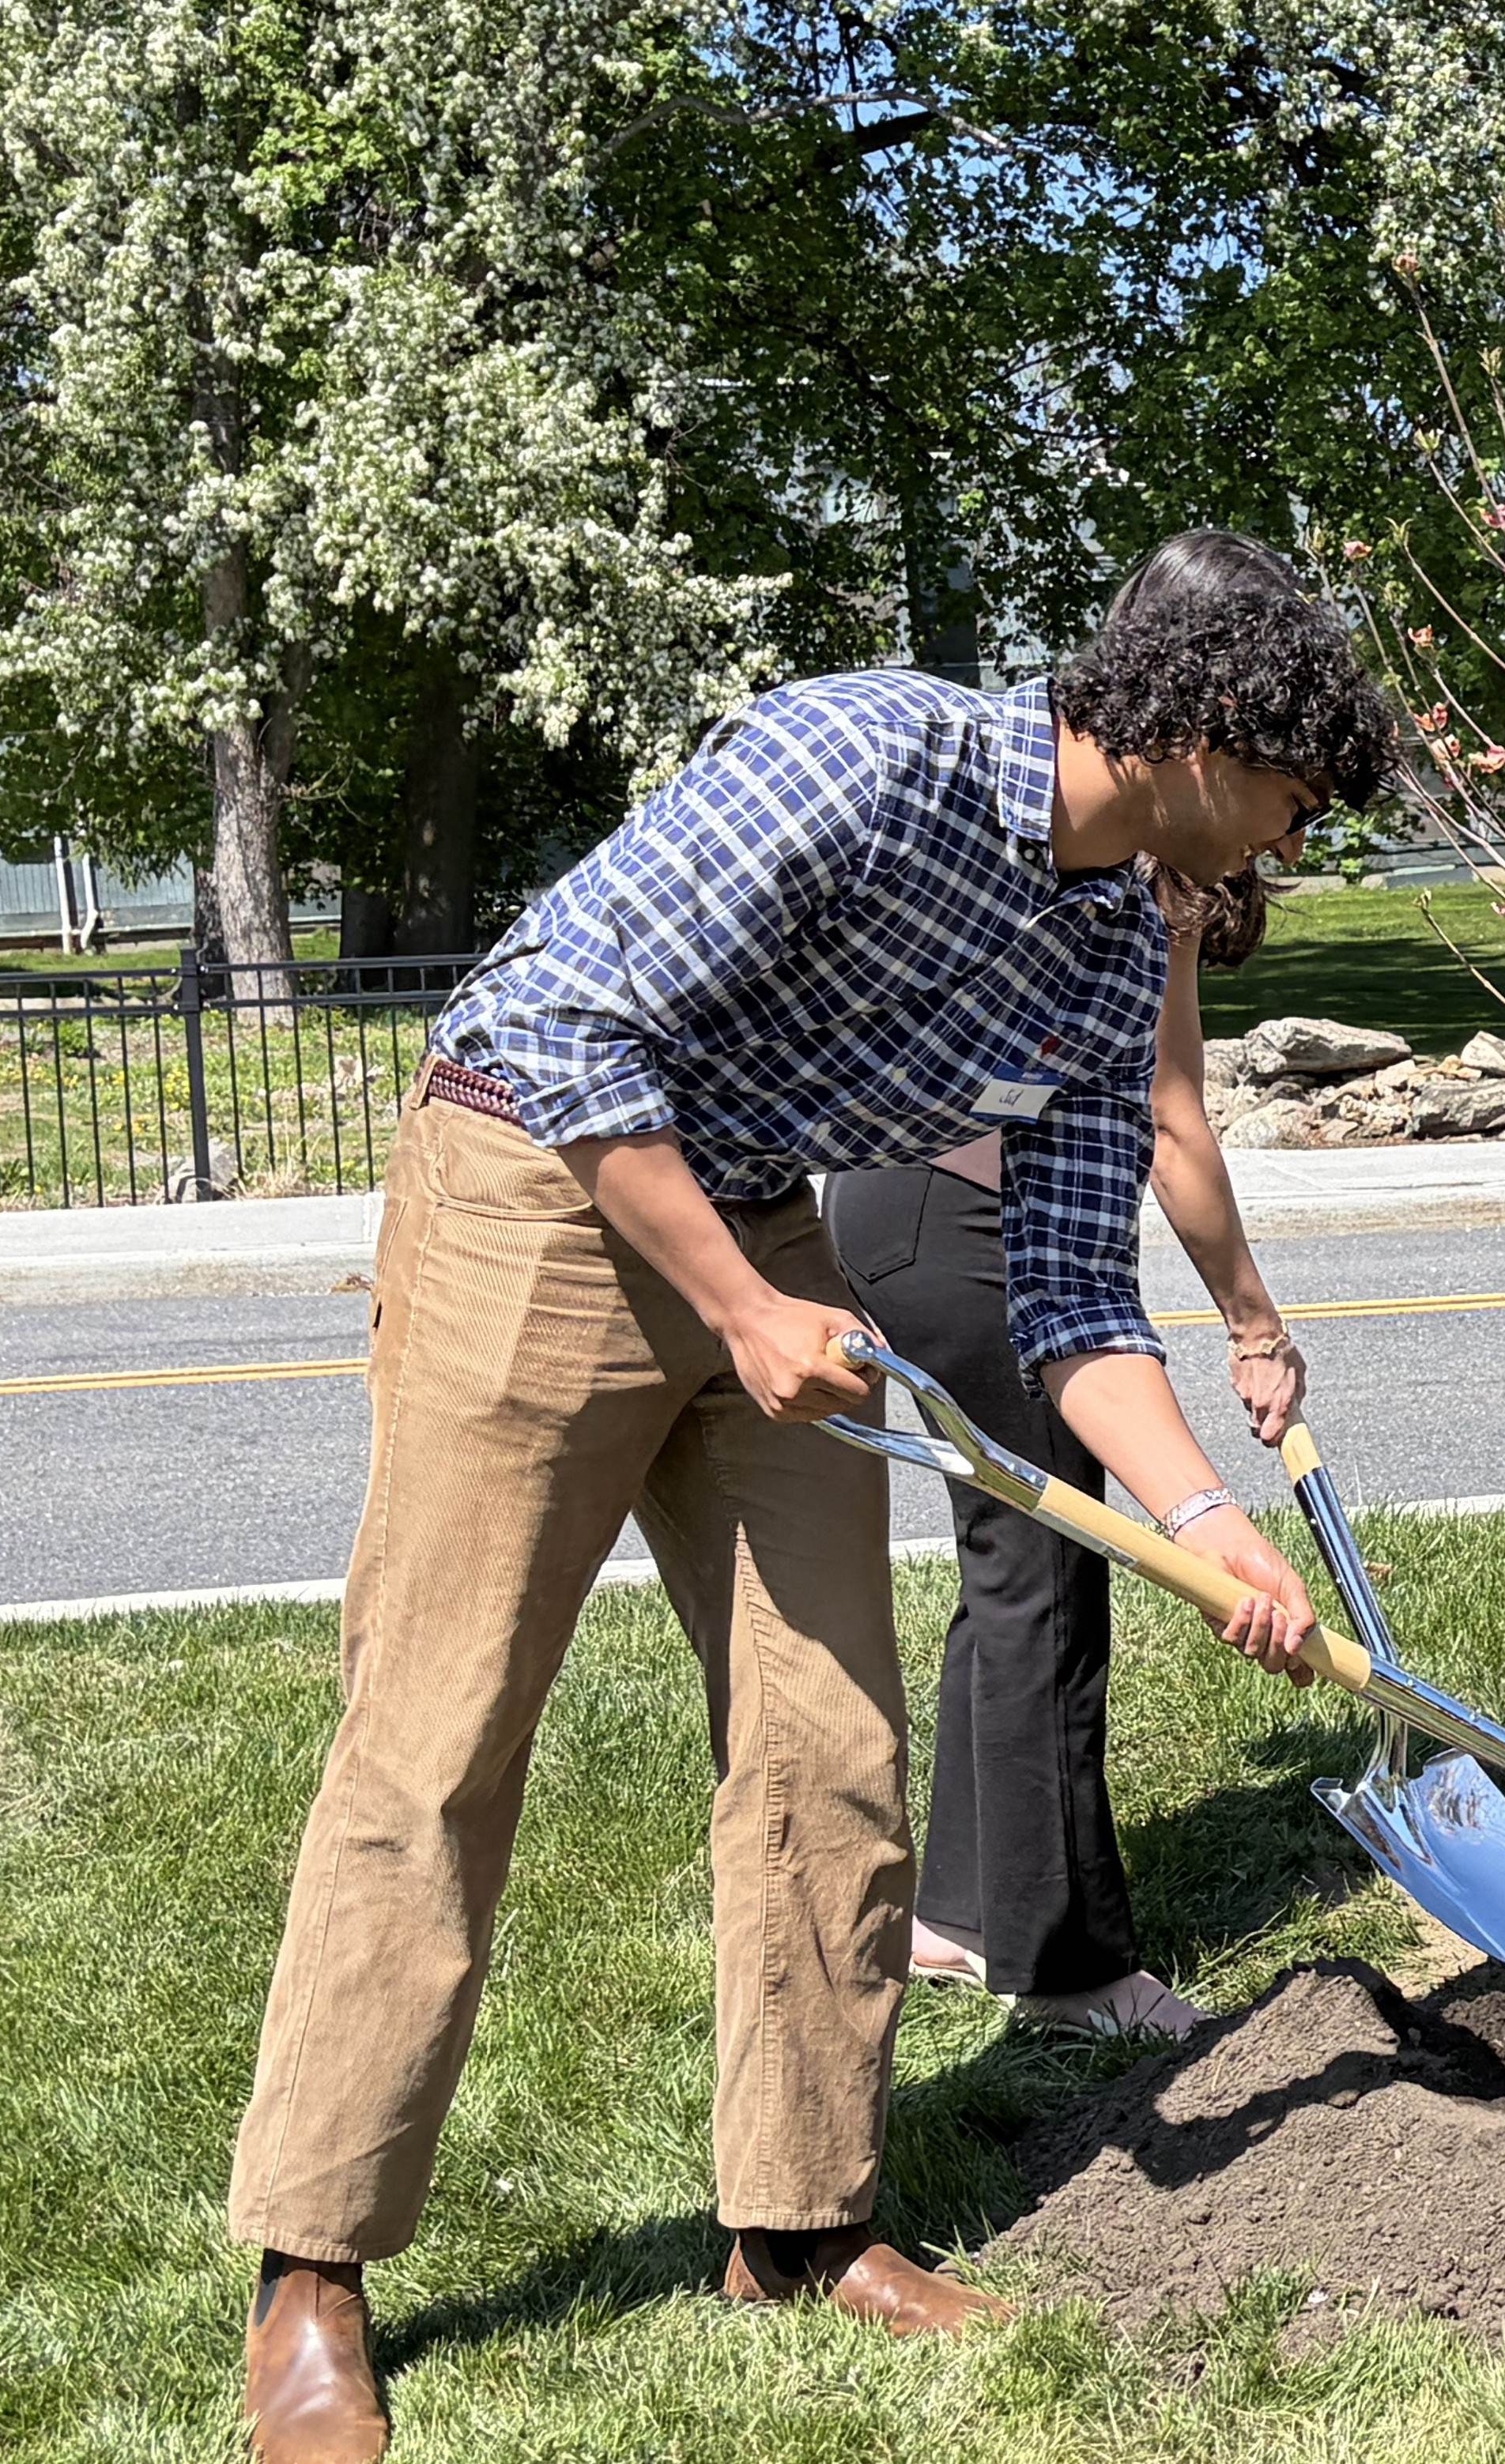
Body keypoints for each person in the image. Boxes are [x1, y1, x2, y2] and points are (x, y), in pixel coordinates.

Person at [224, 561, 1396, 2464]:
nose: (1297, 836)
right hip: (539, 1180)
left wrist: (1205, 1518)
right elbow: (564, 1016)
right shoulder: (865, 754)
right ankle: (314, 2274)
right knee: (438, 1735)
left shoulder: (1111, 949)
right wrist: (745, 1306)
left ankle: (800, 2221)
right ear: (1191, 745)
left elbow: (1075, 1296)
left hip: (760, 1215)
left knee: (826, 1738)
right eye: (1290, 794)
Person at [830, 534, 1315, 2042]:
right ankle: (1068, 1966)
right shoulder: (1135, 872)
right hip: (960, 1223)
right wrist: (1249, 1315)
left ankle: (966, 1915)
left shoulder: (1100, 828)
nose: (1276, 843)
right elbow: (1170, 1117)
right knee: (1048, 1575)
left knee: (1009, 1559)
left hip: (892, 1207)